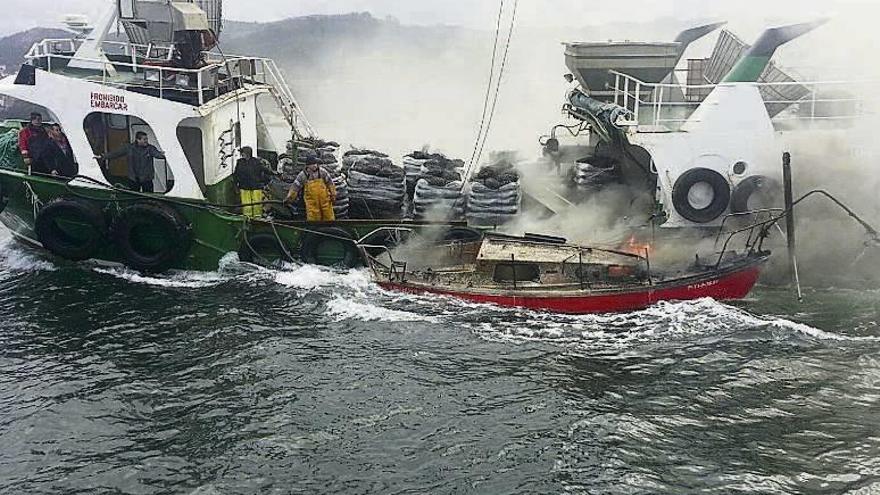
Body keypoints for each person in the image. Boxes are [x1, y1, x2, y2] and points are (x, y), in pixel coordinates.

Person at [97, 131, 165, 193]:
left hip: (146, 178)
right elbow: (116, 153)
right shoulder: (129, 148)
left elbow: (157, 154)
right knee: (134, 195)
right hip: (133, 178)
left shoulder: (150, 148)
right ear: (138, 140)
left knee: (149, 196)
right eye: (144, 139)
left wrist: (163, 155)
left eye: (146, 139)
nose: (146, 141)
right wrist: (103, 156)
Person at [285, 156, 337, 222]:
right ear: (307, 166)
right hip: (312, 204)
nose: (315, 166)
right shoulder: (302, 175)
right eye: (312, 164)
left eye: (315, 164)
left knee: (329, 219)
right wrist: (289, 198)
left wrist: (333, 195)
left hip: (325, 201)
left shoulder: (322, 172)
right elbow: (295, 187)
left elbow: (330, 183)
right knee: (313, 221)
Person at [233, 146, 274, 218]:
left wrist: (274, 173)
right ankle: (247, 218)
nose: (242, 154)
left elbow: (265, 170)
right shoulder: (240, 162)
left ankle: (257, 218)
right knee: (246, 205)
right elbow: (236, 174)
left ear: (246, 153)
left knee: (257, 204)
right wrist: (236, 186)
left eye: (242, 153)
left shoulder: (256, 161)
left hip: (255, 187)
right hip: (245, 187)